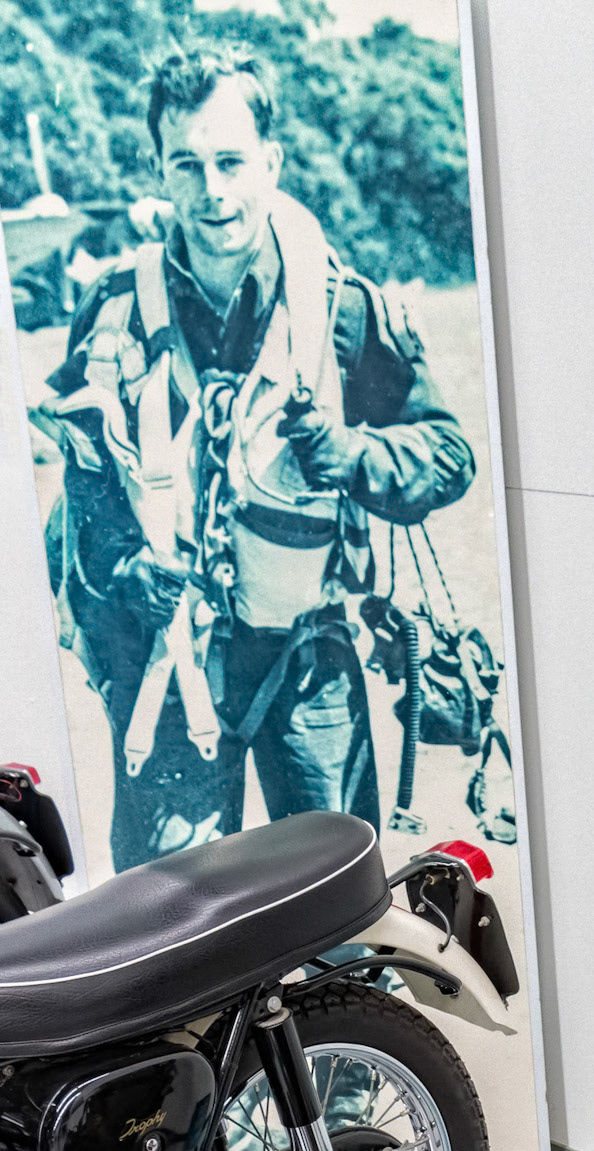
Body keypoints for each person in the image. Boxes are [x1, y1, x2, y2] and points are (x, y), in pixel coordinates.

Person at [43, 44, 475, 869]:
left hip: (309, 661)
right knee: (169, 925)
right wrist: (127, 566)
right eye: (188, 164)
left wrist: (350, 456)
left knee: (338, 921)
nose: (213, 192)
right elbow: (84, 478)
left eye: (232, 162)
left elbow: (446, 454)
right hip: (168, 671)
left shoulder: (343, 311)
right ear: (160, 170)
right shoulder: (110, 316)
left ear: (270, 162)